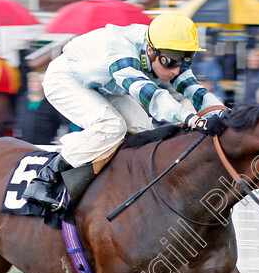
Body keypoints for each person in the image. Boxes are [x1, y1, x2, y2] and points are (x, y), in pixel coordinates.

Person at [23, 12, 225, 210]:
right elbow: (151, 96)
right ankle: (44, 179)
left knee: (145, 130)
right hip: (66, 79)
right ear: (151, 50)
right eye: (170, 63)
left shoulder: (168, 50)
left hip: (103, 85)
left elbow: (194, 90)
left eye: (184, 62)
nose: (175, 71)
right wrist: (192, 119)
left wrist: (223, 113)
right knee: (112, 125)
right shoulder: (121, 50)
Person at [15, 71, 68, 145]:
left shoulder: (51, 102)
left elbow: (63, 122)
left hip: (45, 143)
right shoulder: (22, 101)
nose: (34, 84)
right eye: (31, 82)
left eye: (37, 82)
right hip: (24, 143)